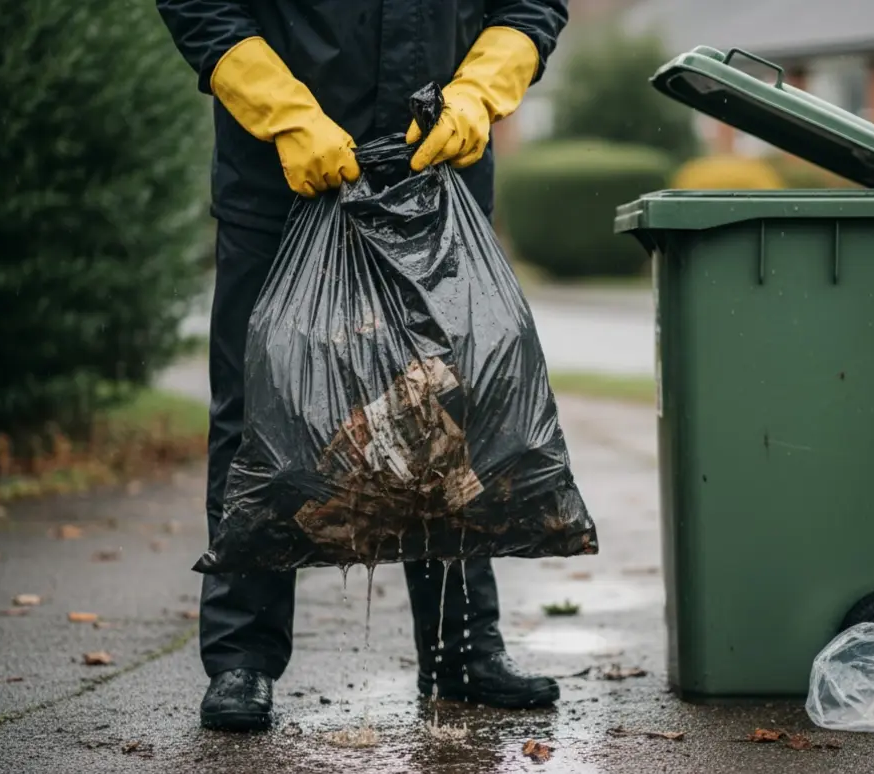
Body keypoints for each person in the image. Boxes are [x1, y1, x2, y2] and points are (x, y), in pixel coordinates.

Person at [153, 0, 570, 732]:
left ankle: (463, 650)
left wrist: (476, 95)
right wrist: (286, 115)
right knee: (260, 414)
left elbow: (532, 4)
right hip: (279, 175)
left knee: (446, 407)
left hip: (438, 170)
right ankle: (241, 660)